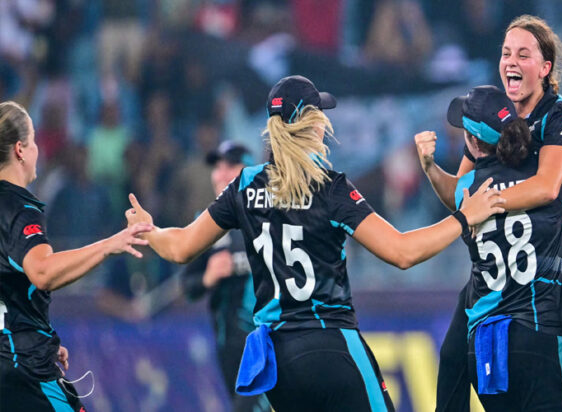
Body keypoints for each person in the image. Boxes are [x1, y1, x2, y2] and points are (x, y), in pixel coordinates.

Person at [125, 75, 506, 412]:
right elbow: (402, 253)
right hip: (331, 344)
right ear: (314, 125)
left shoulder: (245, 185)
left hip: (279, 365)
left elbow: (180, 248)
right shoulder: (330, 187)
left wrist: (151, 230)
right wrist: (462, 218)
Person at [414, 15, 562, 412]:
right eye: (506, 53)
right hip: (502, 260)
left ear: (545, 68)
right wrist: (431, 168)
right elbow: (461, 197)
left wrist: (491, 202)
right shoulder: (494, 116)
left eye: (523, 54)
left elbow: (546, 187)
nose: (511, 62)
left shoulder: (557, 115)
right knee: (453, 351)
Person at [447, 85, 562, 410]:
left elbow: (456, 200)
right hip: (535, 298)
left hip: (510, 298)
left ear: (474, 143)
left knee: (452, 352)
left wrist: (491, 203)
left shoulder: (468, 188)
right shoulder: (545, 173)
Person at [0, 101, 153, 411]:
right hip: (25, 368)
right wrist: (110, 244)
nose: (38, 152)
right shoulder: (20, 208)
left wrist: (39, 334)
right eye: (34, 143)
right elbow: (41, 271)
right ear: (20, 149)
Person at [180, 140, 270, 412]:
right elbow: (188, 287)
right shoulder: (204, 224)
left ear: (249, 170)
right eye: (217, 167)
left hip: (265, 339)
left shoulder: (268, 216)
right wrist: (208, 277)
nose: (220, 174)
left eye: (230, 166)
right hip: (227, 344)